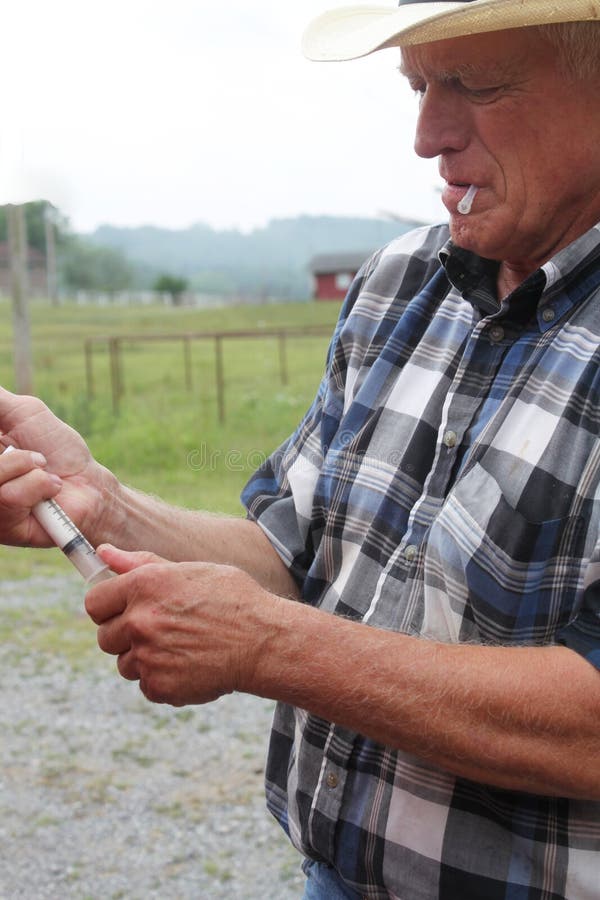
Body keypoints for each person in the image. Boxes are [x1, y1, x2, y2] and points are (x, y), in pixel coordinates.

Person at [1, 1, 600, 896]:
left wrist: (276, 650)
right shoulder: (399, 284)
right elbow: (293, 553)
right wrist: (99, 496)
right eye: (419, 86)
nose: (428, 136)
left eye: (474, 85)